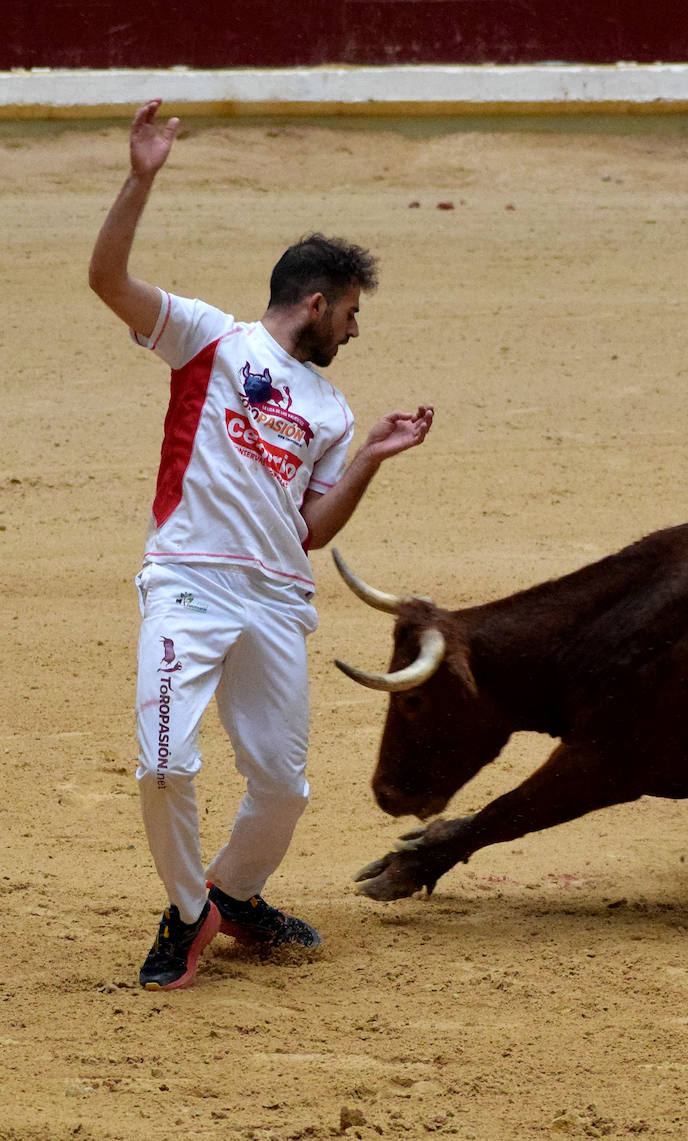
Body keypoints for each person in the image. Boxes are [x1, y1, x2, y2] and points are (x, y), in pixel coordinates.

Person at [89, 98, 435, 990]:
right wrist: (140, 177)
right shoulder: (209, 339)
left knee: (282, 787)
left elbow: (311, 530)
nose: (355, 331)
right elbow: (107, 280)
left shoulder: (331, 409)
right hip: (189, 582)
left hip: (278, 597)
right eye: (350, 313)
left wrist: (368, 458)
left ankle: (235, 892)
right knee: (165, 760)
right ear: (315, 303)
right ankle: (186, 911)